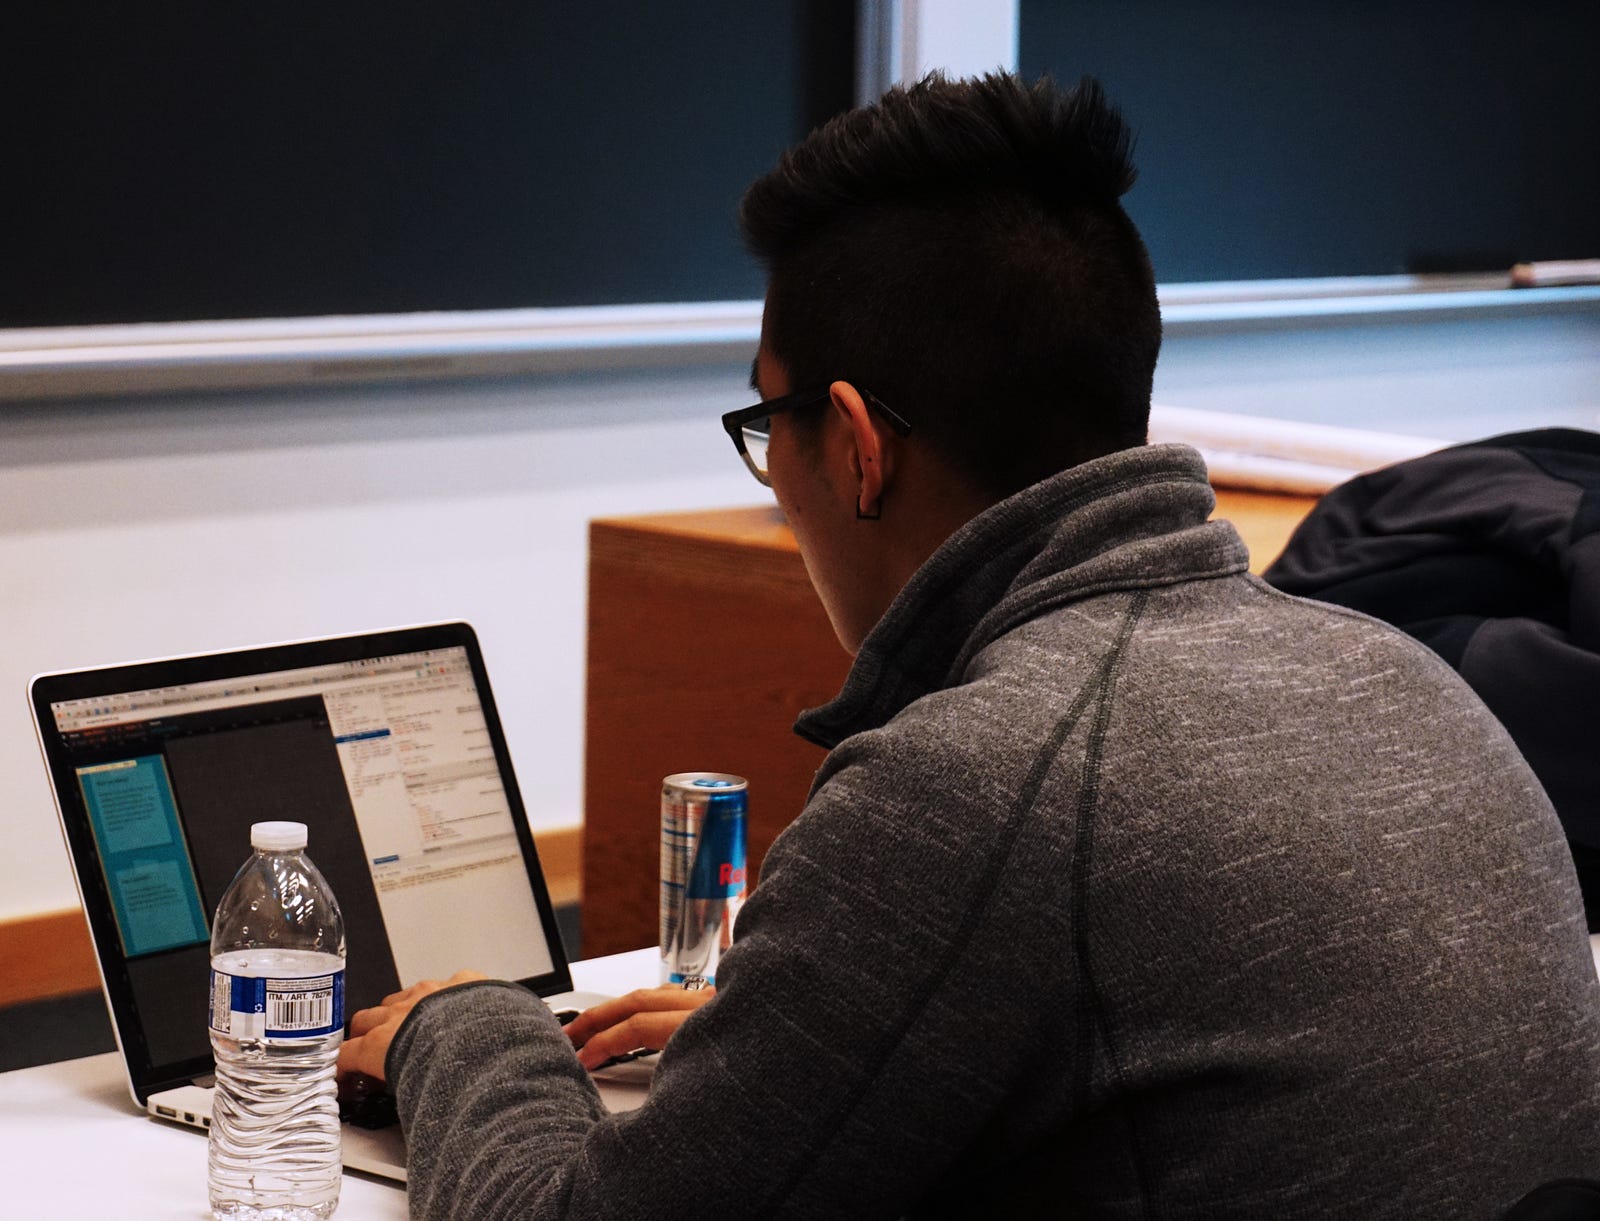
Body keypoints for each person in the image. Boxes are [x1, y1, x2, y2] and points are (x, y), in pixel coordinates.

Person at [338, 73, 1600, 1218]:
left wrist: (465, 1026)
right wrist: (777, 1051)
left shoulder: (975, 783)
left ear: (856, 448)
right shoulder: (1404, 678)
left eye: (767, 427)